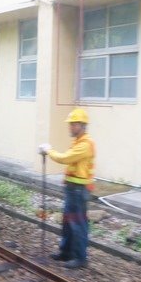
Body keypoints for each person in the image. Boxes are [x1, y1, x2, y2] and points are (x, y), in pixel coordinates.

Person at [38, 108, 95, 269]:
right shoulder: (78, 141)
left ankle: (80, 258)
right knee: (68, 222)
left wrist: (49, 150)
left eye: (73, 124)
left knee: (77, 224)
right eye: (70, 124)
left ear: (82, 125)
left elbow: (65, 158)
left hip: (78, 190)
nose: (70, 127)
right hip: (72, 189)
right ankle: (66, 252)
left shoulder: (85, 144)